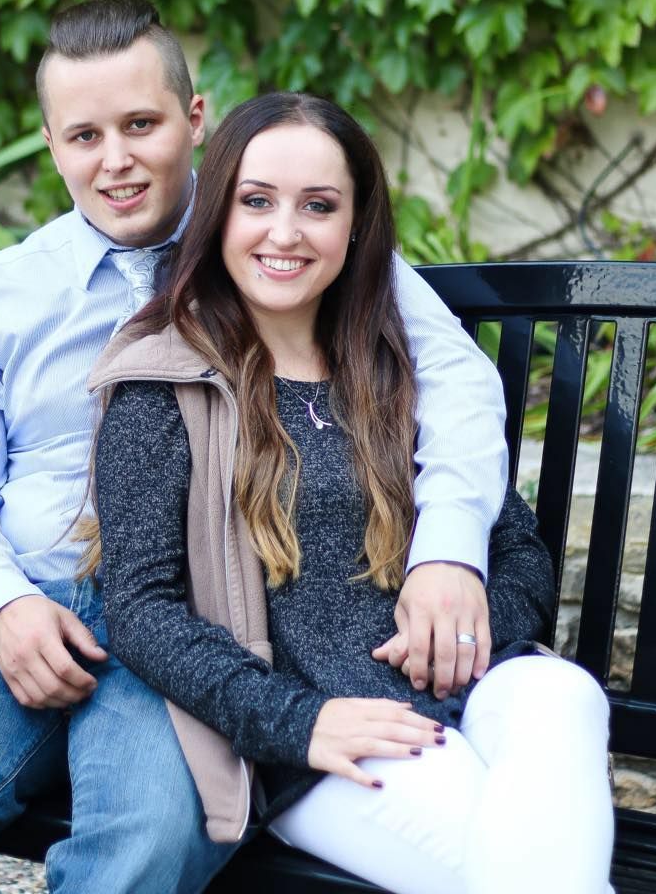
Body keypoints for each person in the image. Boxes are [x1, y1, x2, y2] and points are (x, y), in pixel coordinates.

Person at [0, 0, 510, 893]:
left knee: (147, 844)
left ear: (196, 118)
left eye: (141, 124)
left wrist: (448, 550)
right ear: (52, 145)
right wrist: (2, 607)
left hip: (192, 616)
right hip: (25, 599)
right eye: (84, 136)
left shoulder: (271, 243)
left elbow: (457, 381)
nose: (116, 159)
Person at [90, 91, 615, 893]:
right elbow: (140, 608)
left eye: (319, 206)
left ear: (357, 225)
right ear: (217, 212)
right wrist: (297, 721)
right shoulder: (166, 385)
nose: (285, 232)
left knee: (565, 695)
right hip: (321, 735)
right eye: (256, 201)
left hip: (479, 684)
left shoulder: (397, 363)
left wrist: (458, 637)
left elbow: (513, 544)